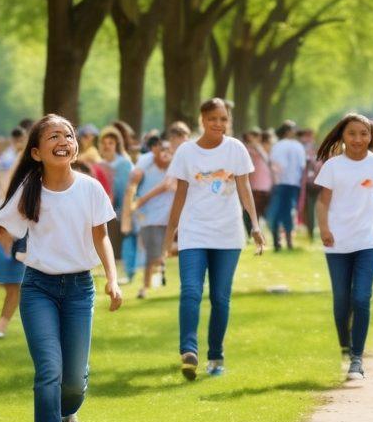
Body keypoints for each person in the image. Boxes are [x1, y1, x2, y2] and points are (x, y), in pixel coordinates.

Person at [0, 114, 123, 422]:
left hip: (80, 289)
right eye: (53, 136)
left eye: (68, 134)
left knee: (74, 379)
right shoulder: (29, 191)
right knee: (49, 370)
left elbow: (102, 237)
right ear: (36, 152)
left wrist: (113, 278)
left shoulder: (90, 188)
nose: (63, 140)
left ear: (76, 145)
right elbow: (2, 228)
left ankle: (65, 414)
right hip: (39, 289)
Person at [164, 98, 264, 381]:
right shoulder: (186, 151)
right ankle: (188, 351)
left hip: (228, 234)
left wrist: (254, 225)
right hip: (194, 231)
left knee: (221, 297)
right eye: (213, 119)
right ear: (202, 120)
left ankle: (216, 355)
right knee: (191, 292)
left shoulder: (235, 149)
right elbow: (180, 193)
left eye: (223, 119)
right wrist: (170, 232)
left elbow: (244, 188)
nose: (218, 124)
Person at [313, 112, 373, 381]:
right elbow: (323, 201)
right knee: (341, 301)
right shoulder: (333, 166)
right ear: (342, 136)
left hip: (367, 241)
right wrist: (324, 228)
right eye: (352, 133)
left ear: (371, 136)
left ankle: (357, 359)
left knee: (361, 297)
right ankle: (345, 347)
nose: (358, 139)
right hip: (337, 241)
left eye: (364, 133)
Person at [125, 139, 176, 299]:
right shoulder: (146, 167)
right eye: (162, 150)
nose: (166, 154)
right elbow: (135, 192)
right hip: (150, 219)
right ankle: (145, 287)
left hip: (170, 219)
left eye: (169, 150)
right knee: (153, 256)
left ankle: (160, 273)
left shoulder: (175, 169)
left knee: (165, 253)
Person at [98, 127, 135, 281]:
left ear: (116, 145)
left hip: (121, 210)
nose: (107, 146)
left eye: (111, 143)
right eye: (104, 143)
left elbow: (128, 189)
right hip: (102, 212)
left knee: (121, 242)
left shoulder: (125, 164)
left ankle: (125, 273)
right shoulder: (98, 165)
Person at [268, 122, 306, 251]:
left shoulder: (278, 146)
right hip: (293, 183)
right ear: (288, 131)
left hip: (280, 182)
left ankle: (276, 241)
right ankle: (288, 241)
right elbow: (302, 165)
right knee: (288, 211)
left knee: (277, 211)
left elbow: (275, 165)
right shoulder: (298, 146)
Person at [243, 129, 273, 241]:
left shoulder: (261, 150)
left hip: (264, 187)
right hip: (252, 187)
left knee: (263, 213)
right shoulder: (247, 149)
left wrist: (257, 145)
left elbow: (266, 159)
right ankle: (252, 234)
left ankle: (268, 233)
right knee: (249, 213)